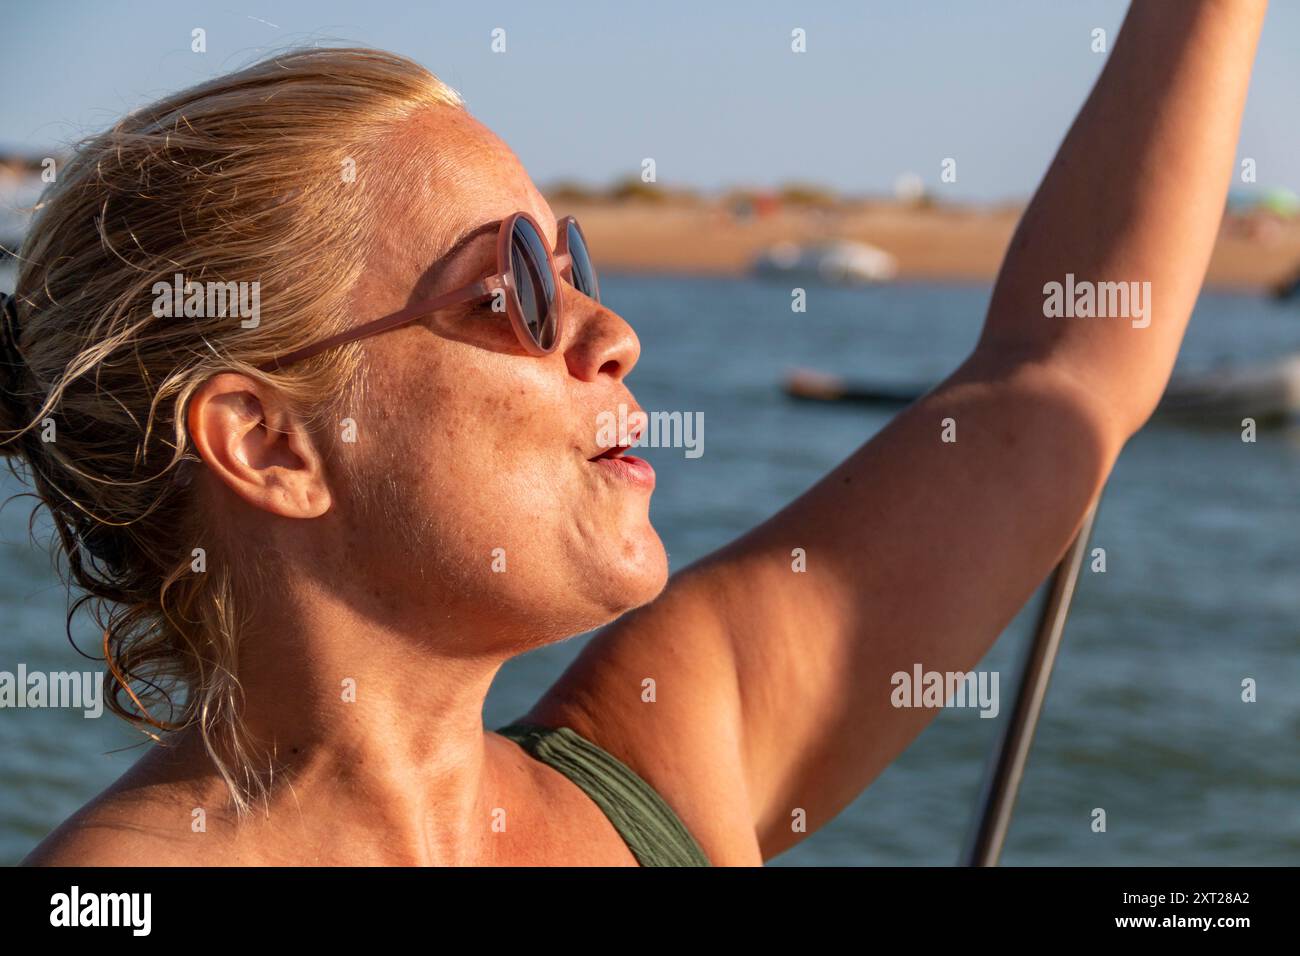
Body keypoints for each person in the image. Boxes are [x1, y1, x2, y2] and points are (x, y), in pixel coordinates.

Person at [5, 0, 1266, 865]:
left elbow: (1062, 365)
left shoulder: (671, 757)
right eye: (514, 287)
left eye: (579, 259)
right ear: (268, 442)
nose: (611, 331)